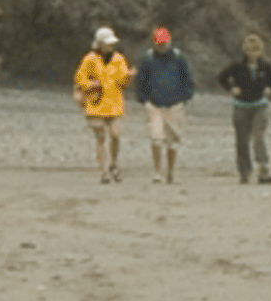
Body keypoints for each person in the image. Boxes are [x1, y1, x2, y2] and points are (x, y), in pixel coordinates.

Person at [133, 27, 196, 185]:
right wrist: (144, 100)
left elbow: (187, 78)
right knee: (156, 138)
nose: (162, 46)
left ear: (169, 41)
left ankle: (171, 172)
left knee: (173, 139)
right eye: (159, 43)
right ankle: (156, 171)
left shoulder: (178, 57)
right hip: (154, 104)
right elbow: (141, 81)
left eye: (164, 43)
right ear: (154, 43)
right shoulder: (147, 58)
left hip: (175, 104)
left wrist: (184, 98)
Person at [217, 34, 271, 184]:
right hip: (241, 106)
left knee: (259, 137)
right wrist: (231, 88)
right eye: (250, 49)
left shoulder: (266, 66)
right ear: (245, 50)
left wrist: (269, 89)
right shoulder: (237, 65)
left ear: (261, 50)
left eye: (256, 49)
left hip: (259, 105)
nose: (253, 52)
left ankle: (263, 167)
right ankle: (244, 171)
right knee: (242, 140)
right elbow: (221, 77)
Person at [72, 27, 132, 184]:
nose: (110, 46)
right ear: (99, 44)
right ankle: (104, 171)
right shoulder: (90, 59)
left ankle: (114, 163)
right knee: (100, 138)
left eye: (111, 43)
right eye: (107, 43)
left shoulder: (119, 59)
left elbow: (122, 82)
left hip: (114, 104)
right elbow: (79, 78)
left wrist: (128, 77)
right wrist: (91, 84)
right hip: (95, 104)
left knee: (116, 135)